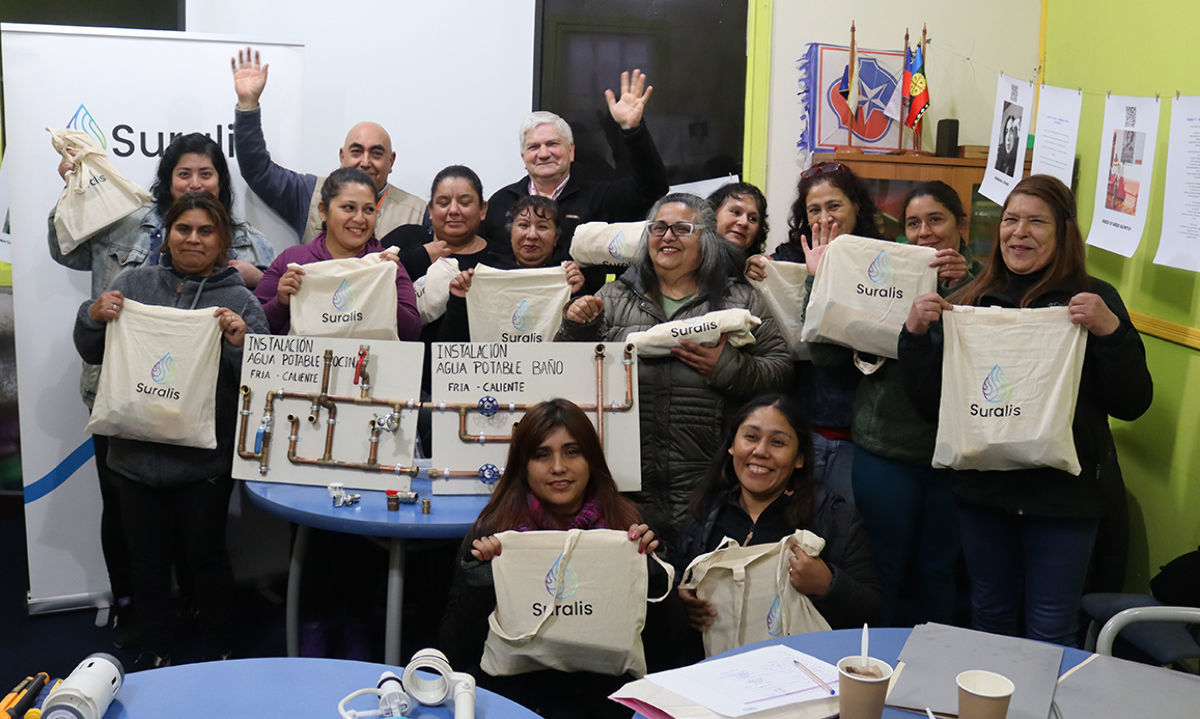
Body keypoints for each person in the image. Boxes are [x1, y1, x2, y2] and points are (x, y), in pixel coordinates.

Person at [898, 174, 1152, 646]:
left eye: (1037, 222)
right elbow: (930, 405)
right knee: (989, 618)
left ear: (1063, 232)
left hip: (1064, 501)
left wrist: (1111, 332)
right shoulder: (970, 300)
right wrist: (913, 337)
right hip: (984, 496)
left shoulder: (1093, 300)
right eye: (1010, 220)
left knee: (1051, 627)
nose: (1019, 232)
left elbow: (1133, 402)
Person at [48, 131, 275, 647]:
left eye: (204, 232)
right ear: (166, 231)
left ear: (223, 242)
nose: (192, 239)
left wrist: (240, 344)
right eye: (182, 229)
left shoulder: (239, 300)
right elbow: (92, 349)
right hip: (133, 454)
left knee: (207, 555)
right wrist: (92, 316)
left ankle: (218, 642)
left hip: (203, 462)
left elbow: (260, 382)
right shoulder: (131, 285)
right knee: (145, 560)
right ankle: (151, 644)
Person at [557, 192, 791, 554]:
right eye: (658, 228)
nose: (667, 237)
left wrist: (727, 367)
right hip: (623, 489)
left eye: (682, 229)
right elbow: (565, 377)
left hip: (707, 488)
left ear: (707, 239)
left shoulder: (739, 300)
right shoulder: (613, 296)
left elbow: (780, 369)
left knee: (699, 595)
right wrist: (575, 327)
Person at [439, 398, 662, 719]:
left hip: (609, 701)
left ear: (592, 459)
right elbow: (454, 651)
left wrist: (652, 579)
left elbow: (666, 648)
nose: (558, 467)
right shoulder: (494, 531)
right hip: (515, 701)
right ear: (523, 465)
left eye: (572, 451)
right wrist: (481, 585)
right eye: (542, 454)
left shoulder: (630, 526)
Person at [840, 181, 977, 626]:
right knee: (884, 569)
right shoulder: (884, 273)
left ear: (961, 225)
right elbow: (831, 349)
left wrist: (966, 287)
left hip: (953, 455)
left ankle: (930, 674)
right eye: (913, 224)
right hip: (886, 449)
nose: (924, 233)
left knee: (939, 572)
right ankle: (879, 671)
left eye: (936, 220)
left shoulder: (983, 284)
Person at [674, 394, 880, 660]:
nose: (760, 451)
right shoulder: (706, 512)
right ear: (732, 446)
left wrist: (828, 584)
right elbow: (678, 575)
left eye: (778, 442)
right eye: (750, 437)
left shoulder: (833, 517)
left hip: (803, 676)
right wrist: (682, 604)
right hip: (714, 679)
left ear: (799, 458)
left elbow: (873, 608)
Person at [744, 162, 882, 507]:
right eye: (814, 210)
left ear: (857, 206)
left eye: (834, 206)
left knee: (845, 532)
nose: (825, 217)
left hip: (861, 432)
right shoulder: (787, 259)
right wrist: (749, 270)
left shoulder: (884, 259)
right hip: (798, 427)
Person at [230, 48, 428, 244]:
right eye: (357, 151)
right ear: (342, 157)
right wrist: (248, 105)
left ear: (391, 161)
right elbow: (258, 170)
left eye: (376, 153)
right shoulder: (310, 194)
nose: (365, 162)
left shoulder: (419, 214)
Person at [480, 69, 669, 268]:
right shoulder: (501, 203)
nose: (543, 154)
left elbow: (653, 188)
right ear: (524, 158)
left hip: (585, 298)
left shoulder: (600, 198)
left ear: (571, 151)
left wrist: (633, 130)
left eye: (552, 144)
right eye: (534, 147)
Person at [253, 167, 420, 340]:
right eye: (349, 208)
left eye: (369, 210)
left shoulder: (386, 265)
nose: (360, 219)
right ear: (323, 211)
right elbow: (252, 324)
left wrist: (385, 293)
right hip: (306, 366)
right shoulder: (292, 260)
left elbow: (413, 333)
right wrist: (280, 303)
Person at [440, 195, 585, 340]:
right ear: (511, 233)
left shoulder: (568, 276)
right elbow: (450, 348)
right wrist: (458, 300)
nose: (532, 235)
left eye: (542, 227)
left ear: (556, 238)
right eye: (523, 225)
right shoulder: (483, 274)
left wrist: (575, 296)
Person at [708, 181, 769, 259]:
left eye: (753, 219)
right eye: (736, 212)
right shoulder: (690, 263)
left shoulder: (756, 268)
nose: (744, 222)